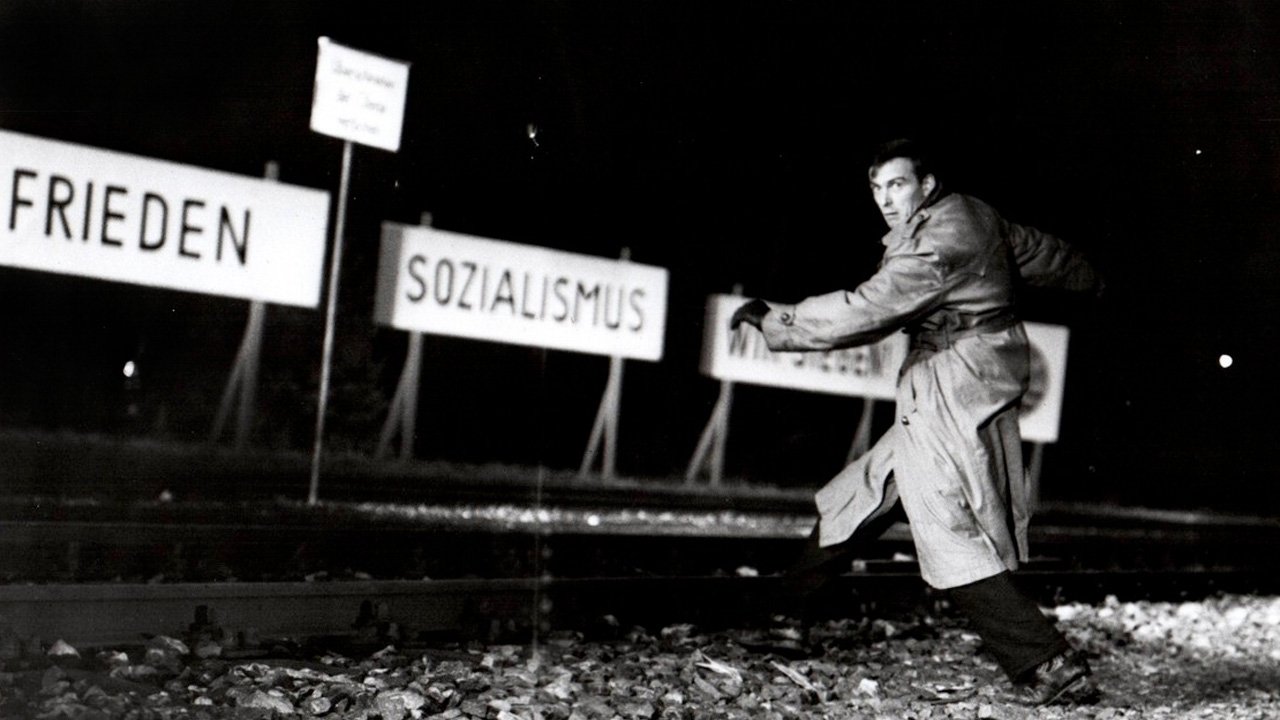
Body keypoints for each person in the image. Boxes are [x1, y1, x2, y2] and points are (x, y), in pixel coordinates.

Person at [731, 138, 1103, 706]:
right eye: (877, 188)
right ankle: (784, 615)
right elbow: (1044, 255)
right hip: (968, 367)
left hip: (953, 377)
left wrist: (774, 319)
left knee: (944, 524)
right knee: (865, 491)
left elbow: (865, 310)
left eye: (897, 184)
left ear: (927, 185)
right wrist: (1095, 278)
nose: (885, 199)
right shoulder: (973, 213)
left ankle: (1047, 663)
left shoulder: (936, 243)